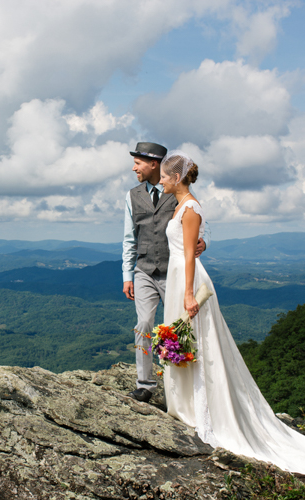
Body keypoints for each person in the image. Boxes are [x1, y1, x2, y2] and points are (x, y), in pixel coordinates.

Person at [159, 150, 305, 481]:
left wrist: (188, 294)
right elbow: (194, 246)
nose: (160, 180)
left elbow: (190, 255)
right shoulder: (181, 206)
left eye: (163, 176)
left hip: (187, 280)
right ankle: (185, 404)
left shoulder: (189, 208)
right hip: (177, 278)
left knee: (199, 343)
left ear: (176, 178)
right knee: (184, 340)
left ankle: (202, 409)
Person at [122, 142, 209, 403]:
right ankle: (145, 384)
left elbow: (194, 227)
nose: (134, 167)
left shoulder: (177, 191)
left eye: (138, 162)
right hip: (144, 270)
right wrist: (128, 275)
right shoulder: (131, 195)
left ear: (154, 164)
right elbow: (129, 237)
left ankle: (184, 387)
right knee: (144, 325)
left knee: (179, 327)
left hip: (173, 271)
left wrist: (202, 243)